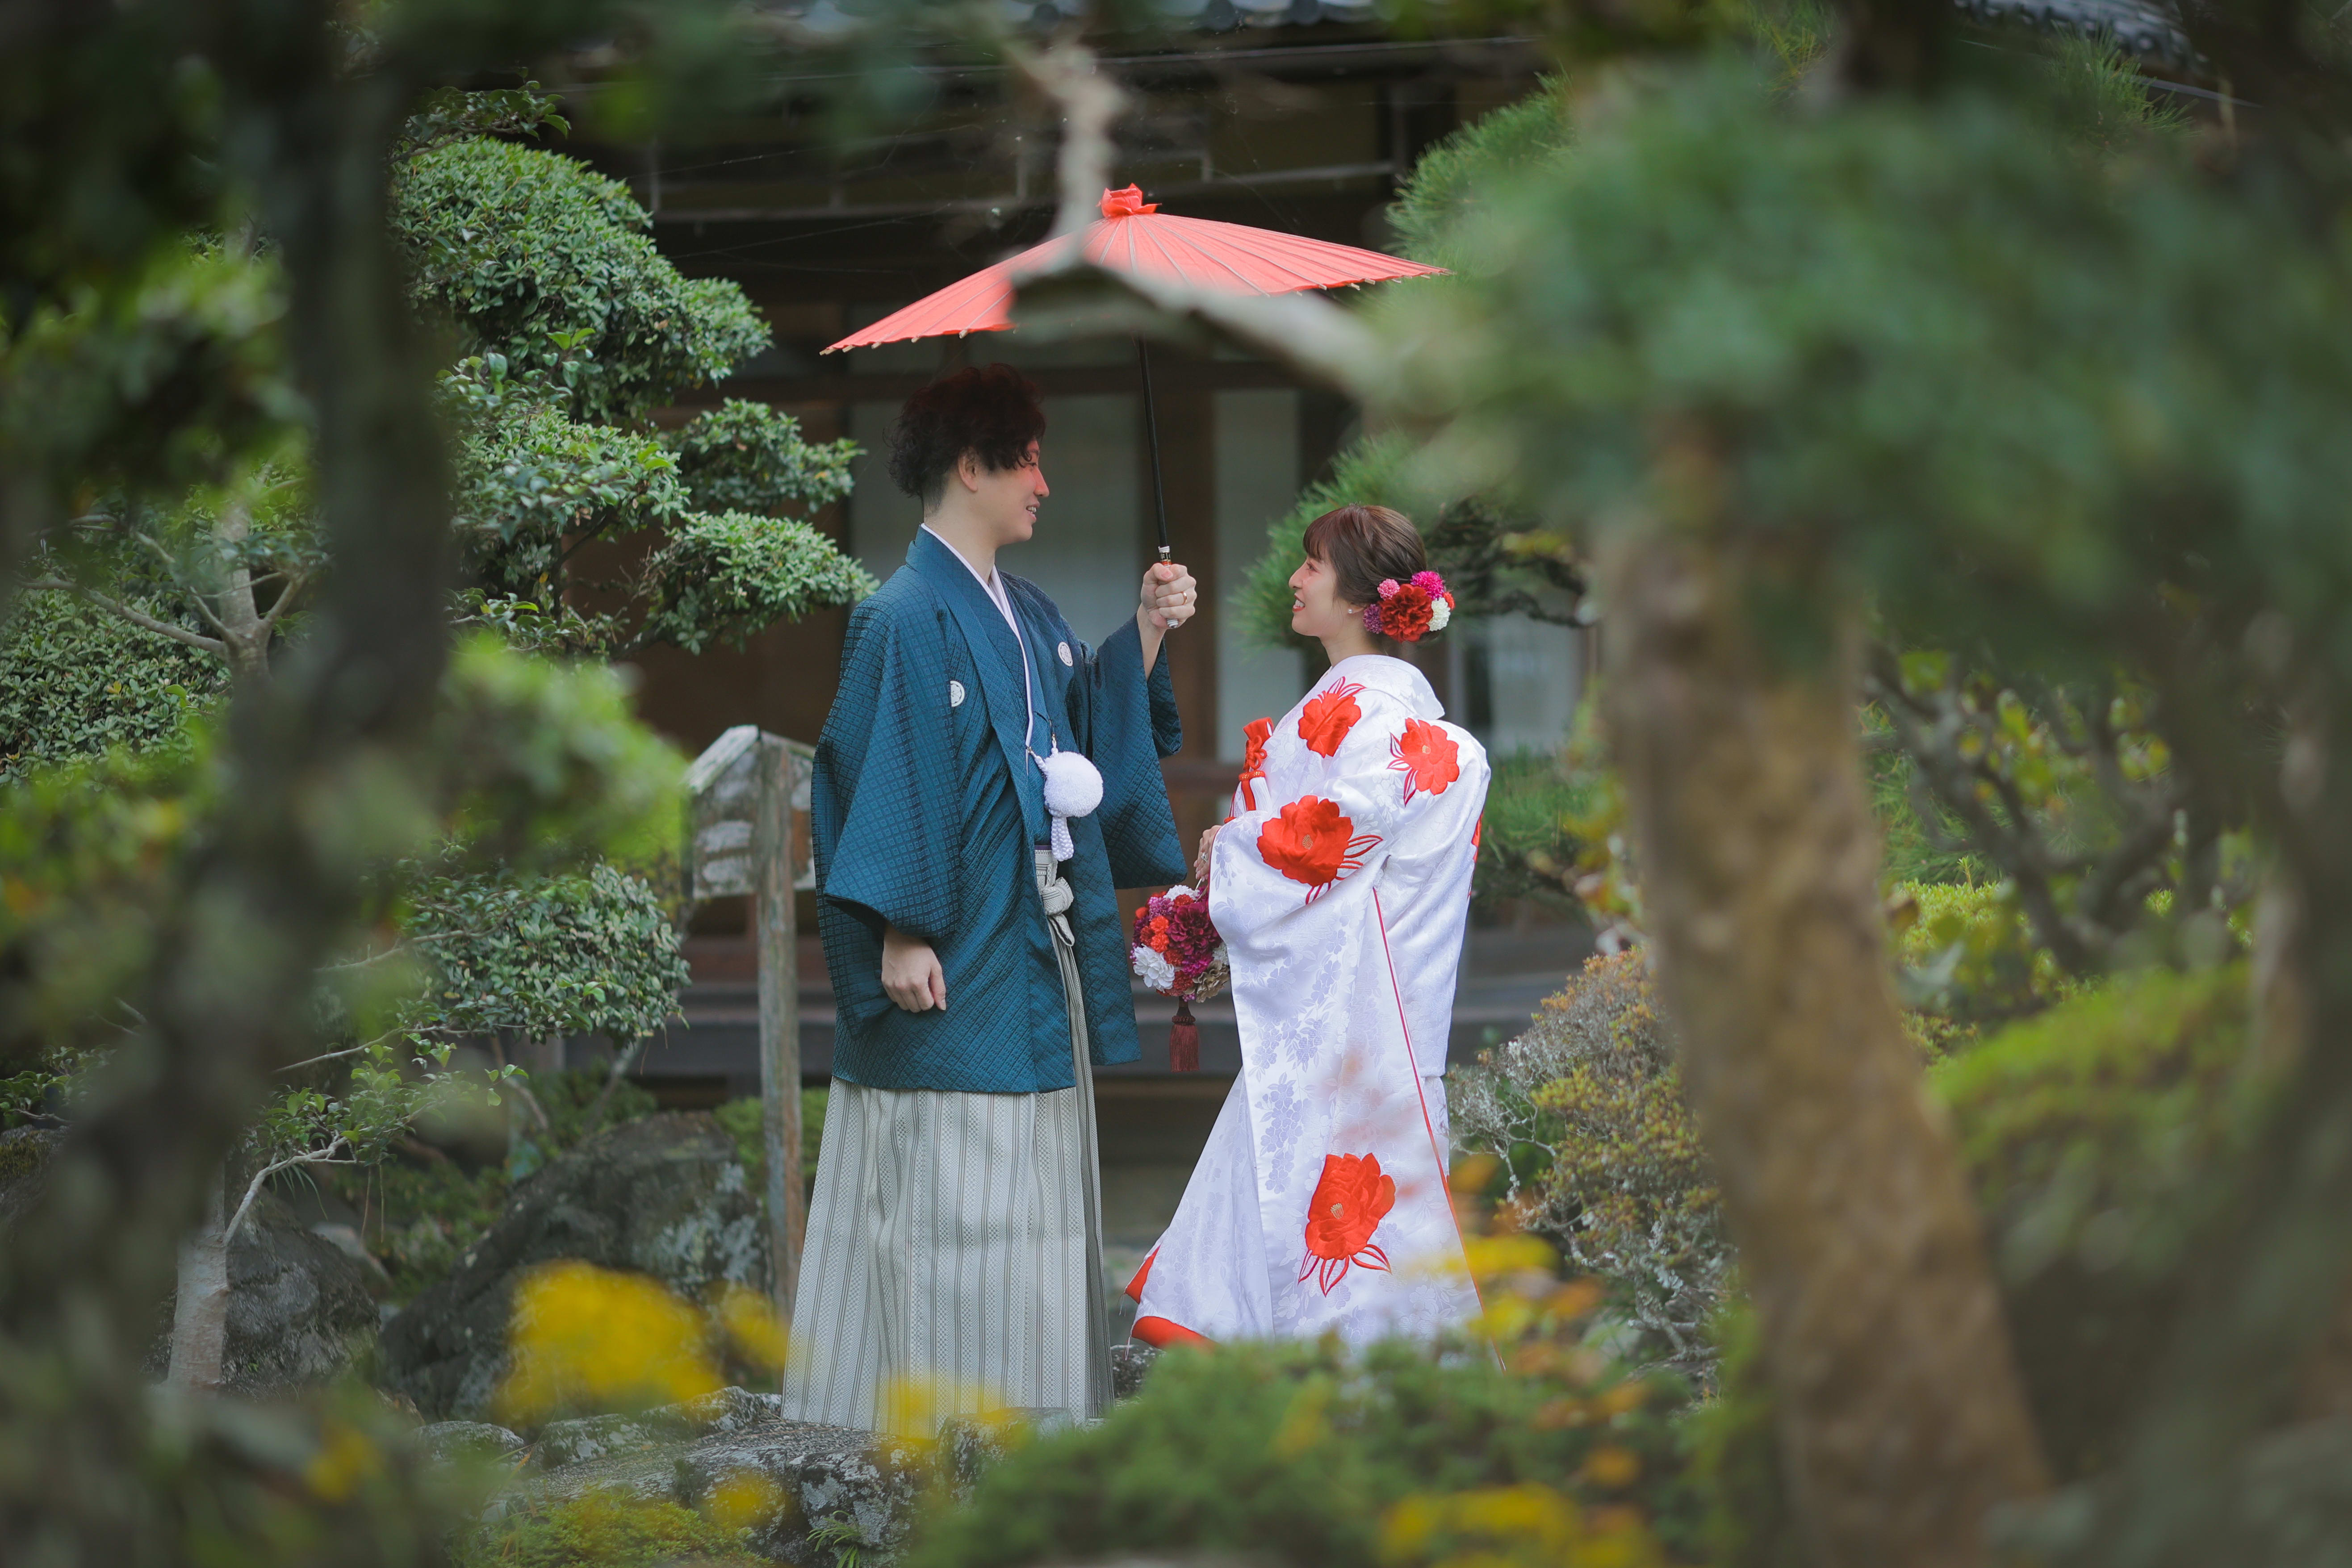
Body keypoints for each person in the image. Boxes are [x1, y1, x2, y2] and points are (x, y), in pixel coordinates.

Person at [787, 364, 1194, 1429]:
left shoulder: (1030, 612)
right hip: (953, 952)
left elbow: (1079, 728)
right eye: (1028, 462)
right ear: (971, 466)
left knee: (1035, 1190)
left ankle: (1040, 1418)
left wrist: (1145, 630)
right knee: (947, 1193)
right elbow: (878, 771)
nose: (1043, 485)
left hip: (1031, 947)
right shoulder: (899, 614)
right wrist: (898, 928)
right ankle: (939, 1432)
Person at [1127, 505, 1487, 1346]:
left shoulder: (1373, 721)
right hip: (1375, 1002)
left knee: (1324, 1165)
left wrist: (1226, 850)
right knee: (1338, 1168)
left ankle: (1302, 1350)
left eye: (1311, 566)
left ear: (1361, 599)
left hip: (1356, 1004)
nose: (1294, 579)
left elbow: (1328, 836)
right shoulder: (1416, 731)